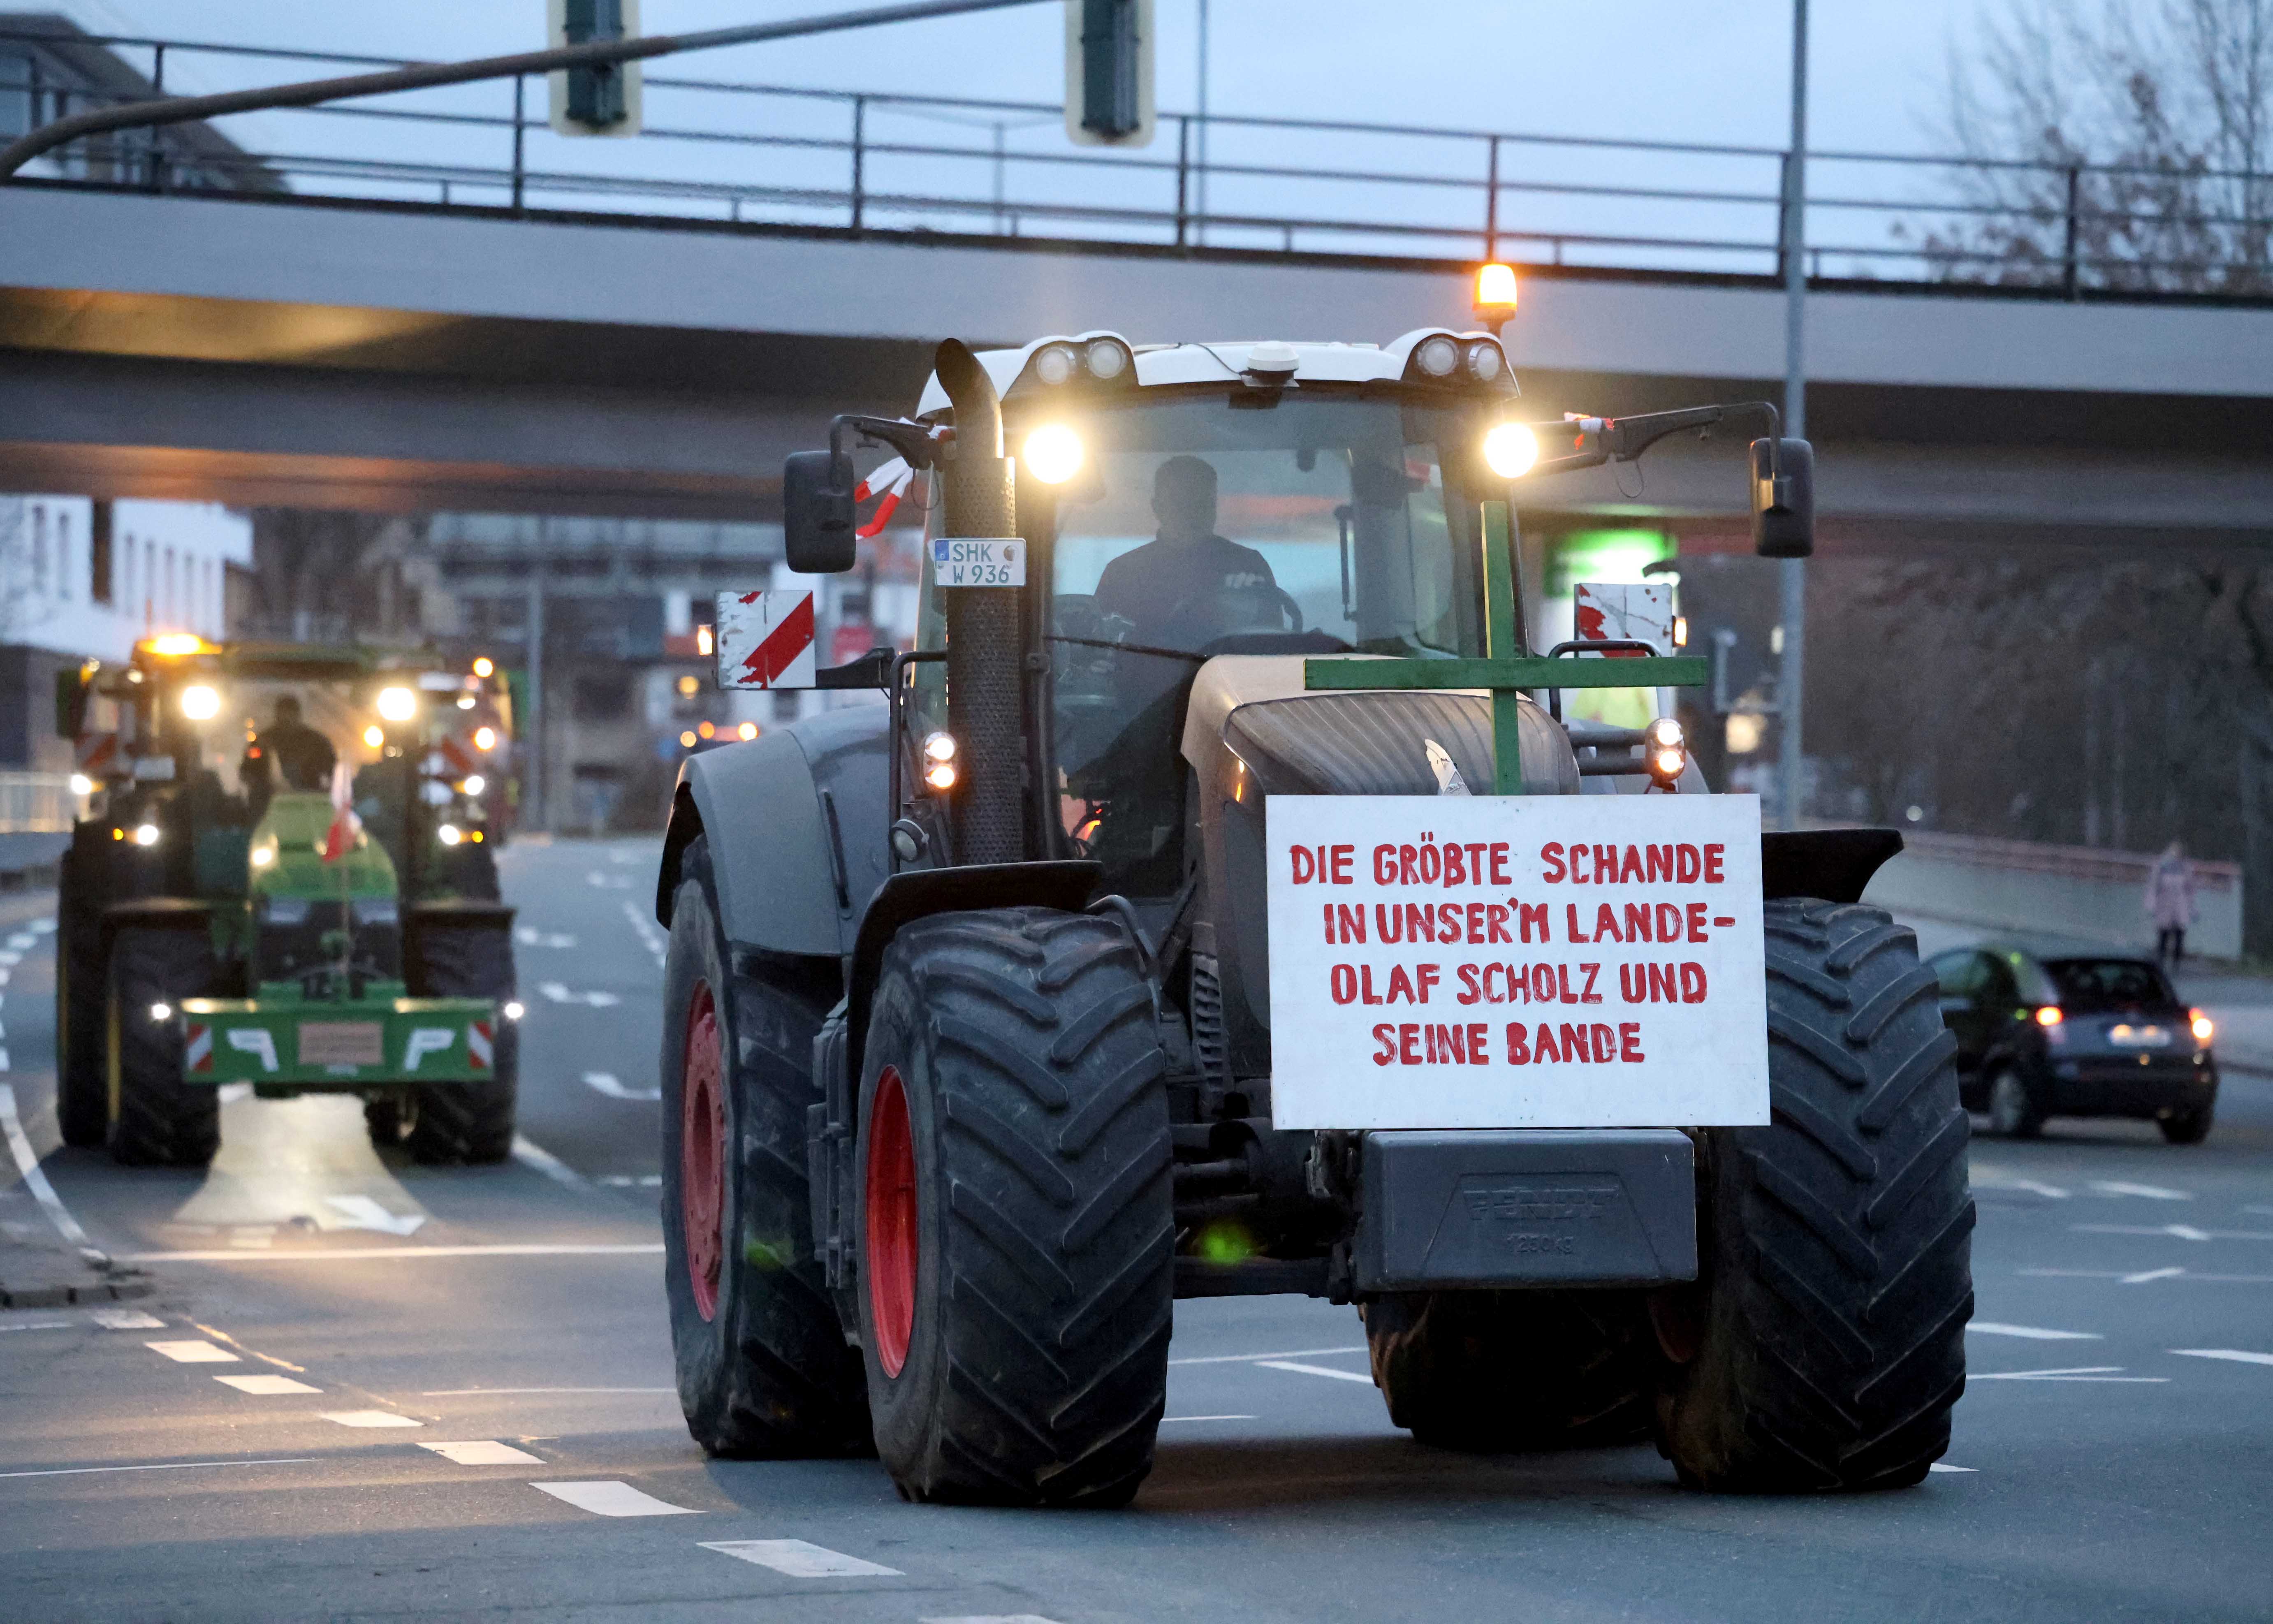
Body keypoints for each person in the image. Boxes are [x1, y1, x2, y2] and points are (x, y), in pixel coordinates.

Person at [1093, 456, 1277, 645]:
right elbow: (1095, 653)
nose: (1195, 515)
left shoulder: (1249, 566)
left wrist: (1247, 609)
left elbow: (1272, 649)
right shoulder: (1122, 574)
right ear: (1158, 508)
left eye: (1204, 505)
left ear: (1215, 507)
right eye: (1182, 504)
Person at [242, 694, 337, 819]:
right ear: (277, 715)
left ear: (298, 715)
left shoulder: (317, 743)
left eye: (290, 713)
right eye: (283, 714)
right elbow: (247, 771)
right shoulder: (262, 743)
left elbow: (334, 772)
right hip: (268, 807)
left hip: (309, 806)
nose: (287, 719)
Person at [2145, 840, 2197, 967]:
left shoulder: (2186, 868)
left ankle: (2177, 962)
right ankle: (2161, 961)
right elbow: (2154, 887)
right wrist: (2151, 905)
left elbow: (2190, 890)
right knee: (2163, 935)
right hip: (2164, 906)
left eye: (2178, 852)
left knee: (2180, 935)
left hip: (2180, 907)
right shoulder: (2161, 867)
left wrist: (2193, 909)